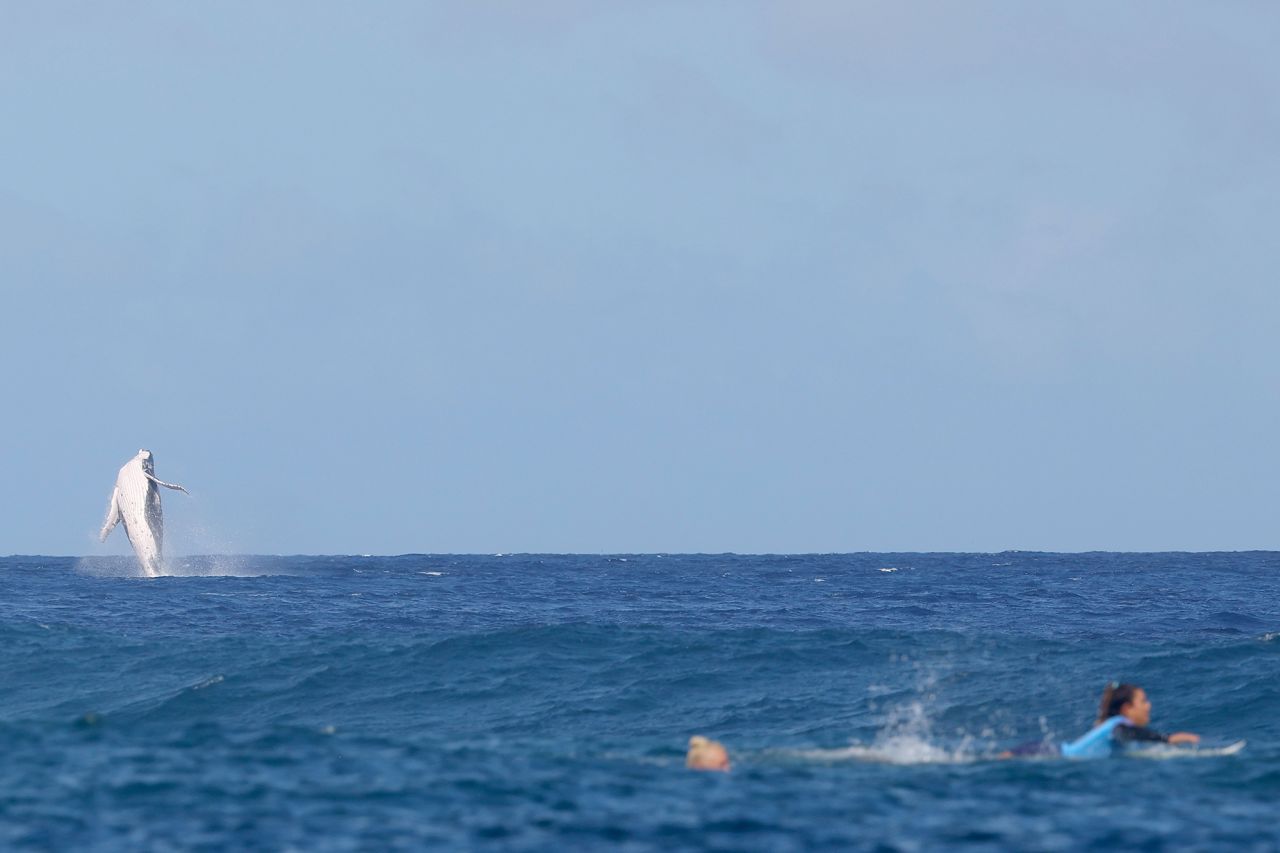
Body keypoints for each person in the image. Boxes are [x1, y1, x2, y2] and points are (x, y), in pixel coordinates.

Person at [1003, 682, 1199, 759]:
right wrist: (1167, 739)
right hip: (1048, 754)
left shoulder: (1112, 724)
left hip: (1046, 750)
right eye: (1143, 701)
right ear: (1127, 708)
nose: (1148, 706)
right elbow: (1126, 733)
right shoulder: (1119, 724)